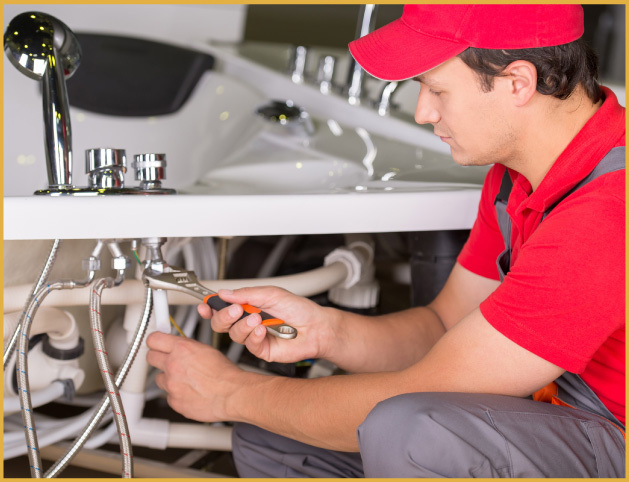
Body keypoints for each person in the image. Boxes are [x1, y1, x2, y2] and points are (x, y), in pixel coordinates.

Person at [146, 4, 625, 477]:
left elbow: (431, 389)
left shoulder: (608, 208)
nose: (422, 112)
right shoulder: (515, 175)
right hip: (562, 407)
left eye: (436, 88)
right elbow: (444, 326)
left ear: (517, 82)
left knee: (412, 433)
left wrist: (231, 393)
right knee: (278, 436)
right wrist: (326, 331)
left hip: (614, 431)